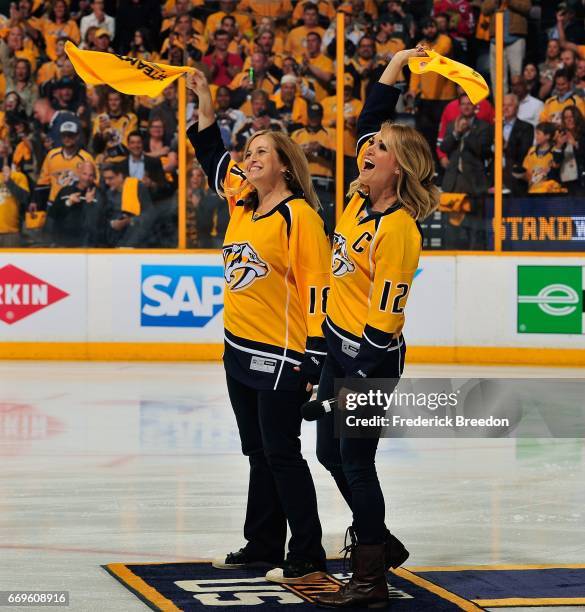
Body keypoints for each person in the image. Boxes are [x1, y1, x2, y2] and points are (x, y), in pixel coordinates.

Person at [186, 66, 331, 584]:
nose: (248, 159)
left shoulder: (299, 217)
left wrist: (316, 357)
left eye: (260, 153)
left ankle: (308, 549)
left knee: (281, 452)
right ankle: (264, 543)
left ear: (286, 167)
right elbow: (210, 151)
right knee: (256, 452)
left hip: (282, 353)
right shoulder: (241, 199)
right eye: (248, 153)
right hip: (237, 349)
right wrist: (204, 98)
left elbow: (318, 287)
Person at [313, 47, 438, 608]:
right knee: (331, 456)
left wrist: (348, 379)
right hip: (338, 352)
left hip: (369, 360)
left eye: (381, 149)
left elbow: (384, 322)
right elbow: (371, 119)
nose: (368, 149)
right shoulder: (358, 199)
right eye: (370, 147)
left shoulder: (399, 230)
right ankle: (381, 542)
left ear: (400, 168)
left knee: (356, 461)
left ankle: (370, 578)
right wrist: (397, 63)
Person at [48, 160, 104, 246]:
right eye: (84, 174)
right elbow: (53, 214)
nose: (87, 178)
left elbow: (101, 219)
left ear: (94, 177)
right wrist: (69, 202)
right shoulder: (66, 191)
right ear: (78, 174)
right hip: (63, 242)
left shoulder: (99, 194)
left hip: (87, 243)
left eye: (91, 175)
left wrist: (90, 204)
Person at [502, 93, 534, 195]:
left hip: (516, 176)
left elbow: (523, 151)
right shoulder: (494, 127)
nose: (505, 108)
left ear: (517, 108)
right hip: (497, 177)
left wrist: (505, 146)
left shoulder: (526, 127)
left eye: (509, 105)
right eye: (503, 105)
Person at [555, 105, 585, 195]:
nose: (569, 120)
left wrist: (575, 144)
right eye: (566, 118)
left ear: (577, 118)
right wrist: (558, 147)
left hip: (581, 182)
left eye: (572, 117)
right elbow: (556, 163)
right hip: (565, 182)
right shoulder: (561, 136)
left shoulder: (583, 135)